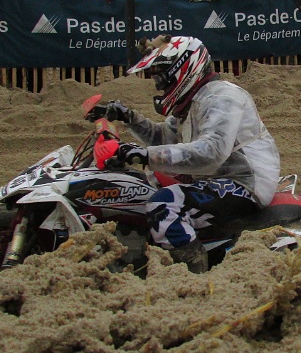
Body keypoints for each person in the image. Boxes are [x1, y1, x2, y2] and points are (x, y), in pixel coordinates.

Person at [87, 35, 281, 273]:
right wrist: (128, 117)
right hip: (214, 178)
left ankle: (193, 275)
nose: (159, 85)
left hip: (244, 182)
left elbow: (211, 152)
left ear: (183, 70)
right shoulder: (188, 106)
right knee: (142, 185)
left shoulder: (222, 97)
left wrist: (144, 155)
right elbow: (162, 139)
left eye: (162, 77)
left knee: (164, 205)